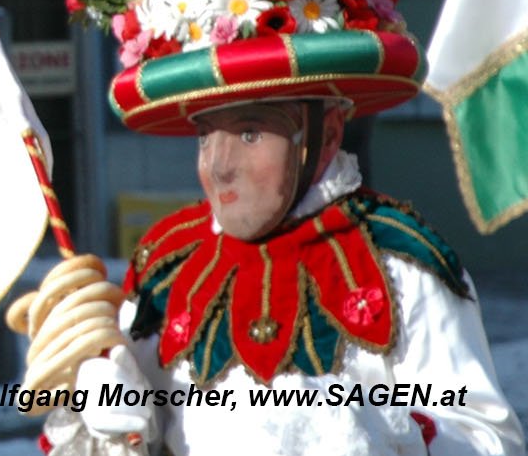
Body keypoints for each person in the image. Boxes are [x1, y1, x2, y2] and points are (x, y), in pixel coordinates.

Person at [28, 53, 524, 454]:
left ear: (325, 136)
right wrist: (110, 428)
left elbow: (488, 440)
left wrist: (369, 431)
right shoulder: (166, 267)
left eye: (249, 133)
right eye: (205, 136)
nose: (220, 167)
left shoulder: (399, 257)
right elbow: (145, 433)